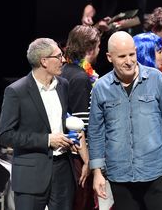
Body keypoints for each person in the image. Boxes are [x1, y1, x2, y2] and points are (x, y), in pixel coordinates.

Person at [87, 31, 162, 210]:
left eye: (132, 54)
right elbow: (96, 132)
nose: (129, 60)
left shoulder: (156, 78)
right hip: (120, 175)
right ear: (109, 57)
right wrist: (97, 171)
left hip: (156, 172)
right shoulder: (101, 87)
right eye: (122, 56)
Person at [0, 38, 75, 210]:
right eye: (59, 56)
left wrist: (70, 138)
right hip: (31, 176)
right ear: (44, 61)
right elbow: (5, 135)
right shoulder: (16, 91)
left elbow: (60, 120)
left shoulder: (63, 85)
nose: (63, 60)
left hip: (62, 171)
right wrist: (47, 140)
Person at [61, 25, 101, 210]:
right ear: (91, 48)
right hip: (78, 156)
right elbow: (80, 124)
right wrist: (87, 161)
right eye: (98, 46)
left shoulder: (64, 71)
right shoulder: (80, 78)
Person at [82, 0, 147, 74]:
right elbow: (93, 3)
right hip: (101, 36)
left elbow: (139, 17)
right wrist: (86, 16)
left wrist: (113, 25)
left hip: (123, 37)